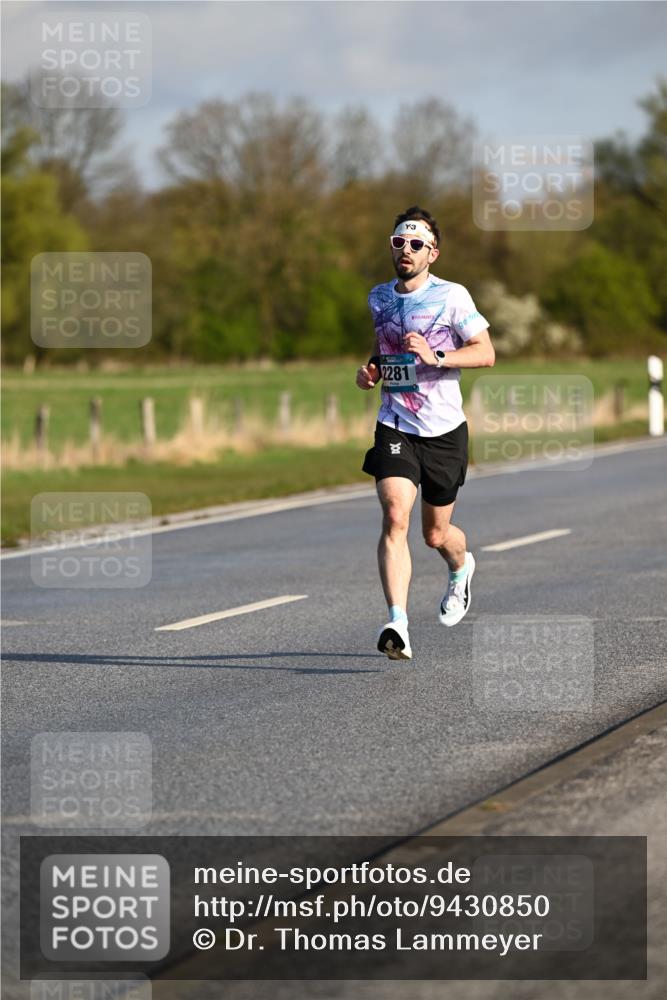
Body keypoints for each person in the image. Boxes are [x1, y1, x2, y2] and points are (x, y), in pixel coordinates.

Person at [356, 206, 495, 660]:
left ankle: (461, 566)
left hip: (443, 430)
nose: (407, 250)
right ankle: (398, 622)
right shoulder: (379, 297)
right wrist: (372, 369)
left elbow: (486, 353)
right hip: (395, 422)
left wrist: (437, 356)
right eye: (400, 242)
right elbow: (385, 343)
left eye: (417, 244)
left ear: (432, 252)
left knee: (435, 535)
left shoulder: (452, 296)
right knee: (395, 516)